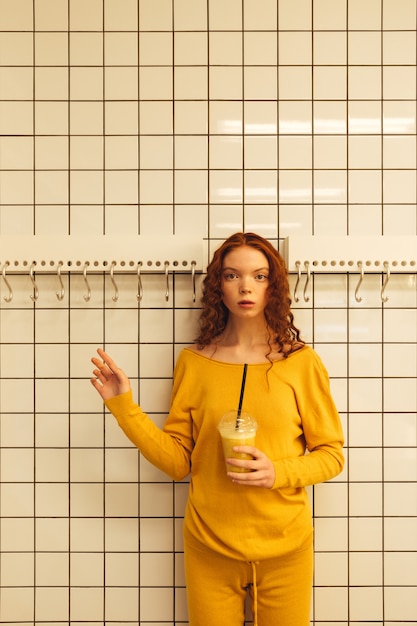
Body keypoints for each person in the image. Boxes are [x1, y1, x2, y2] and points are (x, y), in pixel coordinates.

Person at [91, 232, 344, 626]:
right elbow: (178, 463)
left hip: (285, 548)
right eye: (232, 275)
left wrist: (279, 471)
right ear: (218, 289)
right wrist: (123, 406)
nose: (246, 286)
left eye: (259, 276)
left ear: (273, 288)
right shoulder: (194, 362)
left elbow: (331, 455)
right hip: (209, 546)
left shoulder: (301, 363)